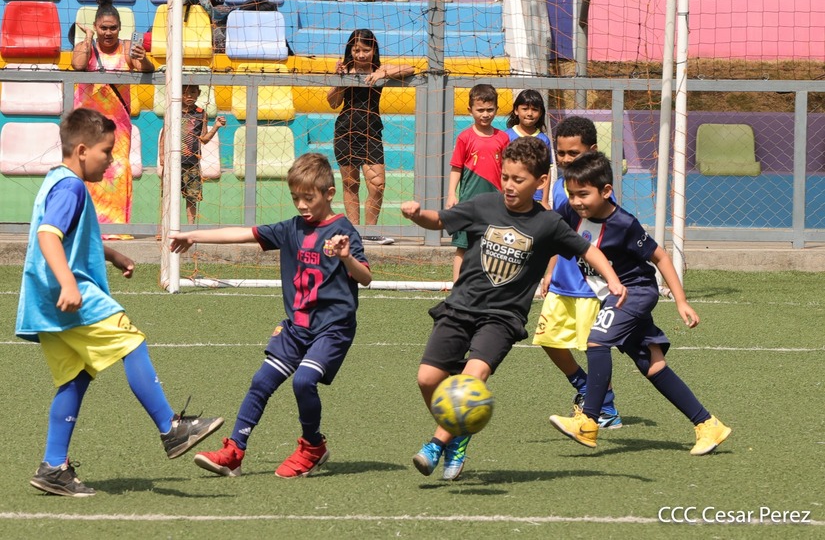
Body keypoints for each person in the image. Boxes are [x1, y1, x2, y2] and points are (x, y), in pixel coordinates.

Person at [16, 108, 224, 498]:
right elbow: (49, 236)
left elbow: (73, 235)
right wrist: (68, 283)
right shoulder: (71, 187)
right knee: (132, 342)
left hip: (43, 302)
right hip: (70, 294)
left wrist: (112, 255)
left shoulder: (55, 182)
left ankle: (53, 467)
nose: (111, 160)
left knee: (74, 378)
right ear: (81, 150)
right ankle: (171, 428)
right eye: (106, 152)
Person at [401, 136, 627, 480]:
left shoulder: (548, 223)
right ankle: (459, 432)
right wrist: (418, 215)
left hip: (501, 319)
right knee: (426, 379)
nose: (508, 185)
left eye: (518, 180)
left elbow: (587, 249)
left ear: (539, 182)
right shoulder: (483, 205)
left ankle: (436, 444)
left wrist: (611, 277)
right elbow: (440, 220)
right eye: (505, 177)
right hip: (459, 308)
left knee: (473, 377)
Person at [170, 153, 373, 479]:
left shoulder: (343, 231)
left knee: (304, 380)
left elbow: (365, 277)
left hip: (332, 328)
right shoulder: (290, 229)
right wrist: (193, 236)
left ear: (329, 193)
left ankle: (312, 447)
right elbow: (245, 233)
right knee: (262, 380)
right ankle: (234, 452)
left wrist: (347, 257)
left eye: (309, 197)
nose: (302, 205)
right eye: (296, 198)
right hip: (297, 326)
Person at [548, 151, 731, 456]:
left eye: (583, 194)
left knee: (596, 341)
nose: (576, 201)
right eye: (571, 194)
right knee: (653, 365)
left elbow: (660, 256)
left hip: (635, 292)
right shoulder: (570, 212)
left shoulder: (623, 223)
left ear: (606, 191)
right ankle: (708, 424)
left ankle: (589, 421)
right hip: (612, 296)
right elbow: (547, 231)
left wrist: (681, 301)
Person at [531, 116, 623, 429]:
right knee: (548, 340)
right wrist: (549, 270)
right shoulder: (559, 187)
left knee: (593, 348)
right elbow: (559, 235)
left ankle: (606, 409)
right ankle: (585, 388)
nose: (567, 159)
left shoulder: (596, 192)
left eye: (574, 153)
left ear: (592, 151)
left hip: (590, 287)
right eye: (562, 153)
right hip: (561, 282)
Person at [71, 0, 154, 240]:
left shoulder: (128, 47)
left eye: (113, 28)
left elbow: (146, 69)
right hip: (87, 124)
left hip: (117, 125)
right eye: (103, 28)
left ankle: (116, 228)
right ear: (96, 27)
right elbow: (78, 65)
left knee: (117, 169)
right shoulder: (85, 47)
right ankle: (86, 227)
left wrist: (143, 59)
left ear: (120, 28)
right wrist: (87, 40)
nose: (108, 32)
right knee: (85, 170)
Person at [328, 29, 414, 245]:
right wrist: (340, 79)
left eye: (366, 50)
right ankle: (355, 232)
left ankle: (371, 231)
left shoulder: (380, 68)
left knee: (377, 185)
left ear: (374, 49)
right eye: (356, 50)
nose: (361, 55)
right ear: (350, 50)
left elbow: (411, 68)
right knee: (351, 184)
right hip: (345, 132)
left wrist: (383, 75)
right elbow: (332, 102)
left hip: (372, 133)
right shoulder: (345, 69)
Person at [447, 83, 510, 282]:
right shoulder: (465, 137)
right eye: (480, 110)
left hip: (496, 201)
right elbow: (456, 167)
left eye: (489, 110)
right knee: (463, 245)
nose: (485, 114)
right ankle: (457, 283)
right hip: (469, 202)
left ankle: (492, 282)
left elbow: (508, 170)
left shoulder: (503, 137)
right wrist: (451, 194)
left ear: (496, 110)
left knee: (495, 245)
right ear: (470, 110)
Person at [158, 84, 226, 225]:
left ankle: (190, 226)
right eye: (184, 92)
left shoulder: (201, 113)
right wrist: (162, 155)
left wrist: (216, 127)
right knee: (168, 195)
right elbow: (164, 135)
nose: (189, 96)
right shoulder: (172, 111)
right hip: (173, 162)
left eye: (193, 92)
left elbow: (204, 139)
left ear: (198, 93)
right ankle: (165, 227)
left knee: (192, 196)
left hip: (192, 162)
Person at [504, 89, 553, 207]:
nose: (530, 113)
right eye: (525, 109)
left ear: (541, 113)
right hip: (512, 194)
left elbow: (547, 170)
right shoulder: (506, 136)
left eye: (535, 110)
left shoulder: (544, 139)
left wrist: (545, 200)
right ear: (516, 110)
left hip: (535, 197)